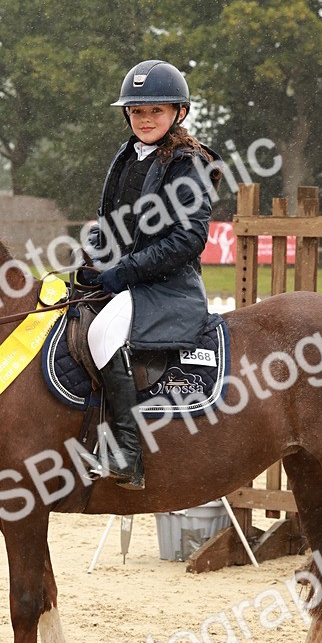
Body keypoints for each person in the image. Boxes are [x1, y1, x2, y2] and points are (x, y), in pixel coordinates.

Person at [81, 59, 220, 490]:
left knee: (103, 334)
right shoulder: (126, 156)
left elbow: (187, 241)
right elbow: (111, 224)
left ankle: (127, 452)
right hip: (126, 279)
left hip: (168, 287)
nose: (145, 119)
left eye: (155, 111)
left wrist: (123, 271)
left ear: (178, 112)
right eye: (137, 111)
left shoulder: (189, 164)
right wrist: (91, 257)